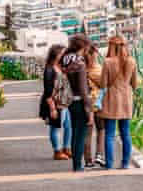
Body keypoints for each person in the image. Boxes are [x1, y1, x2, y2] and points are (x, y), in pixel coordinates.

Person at [100, 35, 137, 169]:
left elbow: (103, 84)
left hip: (111, 100)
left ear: (111, 46)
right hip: (126, 100)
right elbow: (135, 84)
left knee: (109, 134)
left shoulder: (107, 62)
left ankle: (109, 164)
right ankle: (125, 163)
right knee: (125, 133)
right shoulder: (132, 61)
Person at [61, 34, 93, 172]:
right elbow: (83, 90)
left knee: (74, 133)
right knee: (80, 135)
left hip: (69, 101)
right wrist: (89, 109)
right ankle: (78, 165)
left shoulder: (65, 59)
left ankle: (76, 164)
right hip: (80, 102)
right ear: (84, 46)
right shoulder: (79, 62)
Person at [40, 44, 71, 160]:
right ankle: (57, 151)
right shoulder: (49, 70)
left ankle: (66, 148)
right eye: (63, 53)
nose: (65, 55)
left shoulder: (61, 66)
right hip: (55, 103)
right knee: (56, 127)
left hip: (64, 102)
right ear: (56, 54)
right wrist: (52, 108)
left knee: (69, 126)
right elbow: (48, 91)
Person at [84, 44, 106, 168]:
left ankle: (88, 160)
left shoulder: (83, 68)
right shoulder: (97, 68)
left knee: (88, 132)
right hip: (98, 103)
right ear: (93, 54)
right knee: (101, 130)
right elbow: (104, 83)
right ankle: (99, 154)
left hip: (86, 104)